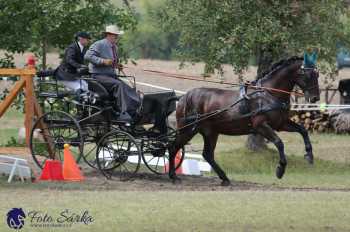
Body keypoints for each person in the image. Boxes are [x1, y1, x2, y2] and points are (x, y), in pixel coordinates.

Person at [84, 25, 141, 122]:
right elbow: (88, 56)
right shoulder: (99, 44)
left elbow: (111, 63)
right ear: (109, 35)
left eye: (117, 35)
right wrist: (102, 61)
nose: (117, 37)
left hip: (110, 76)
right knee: (118, 85)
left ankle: (133, 110)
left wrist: (116, 65)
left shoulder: (115, 47)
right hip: (98, 76)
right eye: (115, 35)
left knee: (128, 88)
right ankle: (122, 112)